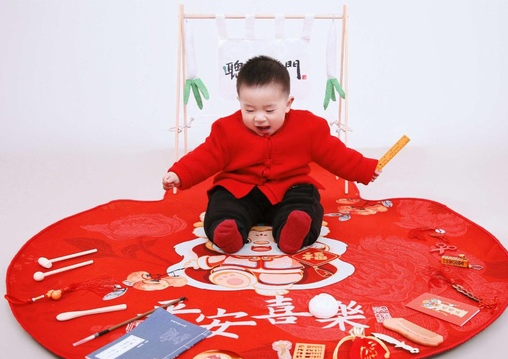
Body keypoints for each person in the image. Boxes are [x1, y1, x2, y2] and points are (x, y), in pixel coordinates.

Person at [162, 55, 378, 254]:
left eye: (269, 110)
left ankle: (293, 233)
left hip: (290, 188)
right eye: (249, 110)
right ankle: (228, 232)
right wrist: (180, 173)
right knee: (222, 203)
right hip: (241, 189)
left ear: (288, 104)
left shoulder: (308, 127)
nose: (259, 118)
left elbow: (335, 153)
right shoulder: (226, 130)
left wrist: (364, 169)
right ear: (239, 102)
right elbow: (205, 156)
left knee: (306, 202)